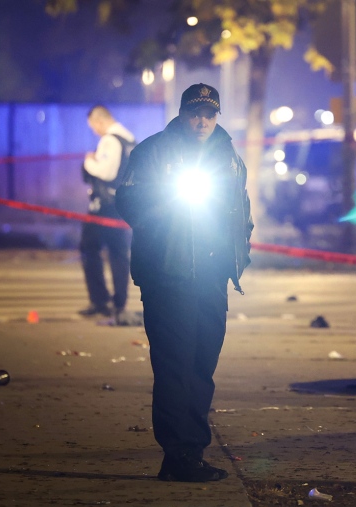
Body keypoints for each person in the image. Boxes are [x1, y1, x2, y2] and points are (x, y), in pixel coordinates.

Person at [116, 84, 253, 482]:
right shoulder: (154, 151)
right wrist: (163, 212)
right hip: (167, 275)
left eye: (210, 115)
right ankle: (176, 456)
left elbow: (240, 208)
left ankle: (192, 450)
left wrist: (238, 252)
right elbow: (127, 201)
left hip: (212, 276)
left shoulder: (228, 157)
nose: (202, 122)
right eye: (195, 113)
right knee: (175, 365)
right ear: (182, 113)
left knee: (201, 366)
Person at [80, 105, 134, 321]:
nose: (94, 131)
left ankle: (100, 301)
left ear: (99, 120)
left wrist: (89, 161)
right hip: (123, 205)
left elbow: (106, 171)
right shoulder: (130, 139)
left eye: (93, 126)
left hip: (105, 206)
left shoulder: (110, 140)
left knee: (88, 247)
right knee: (119, 253)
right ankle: (119, 302)